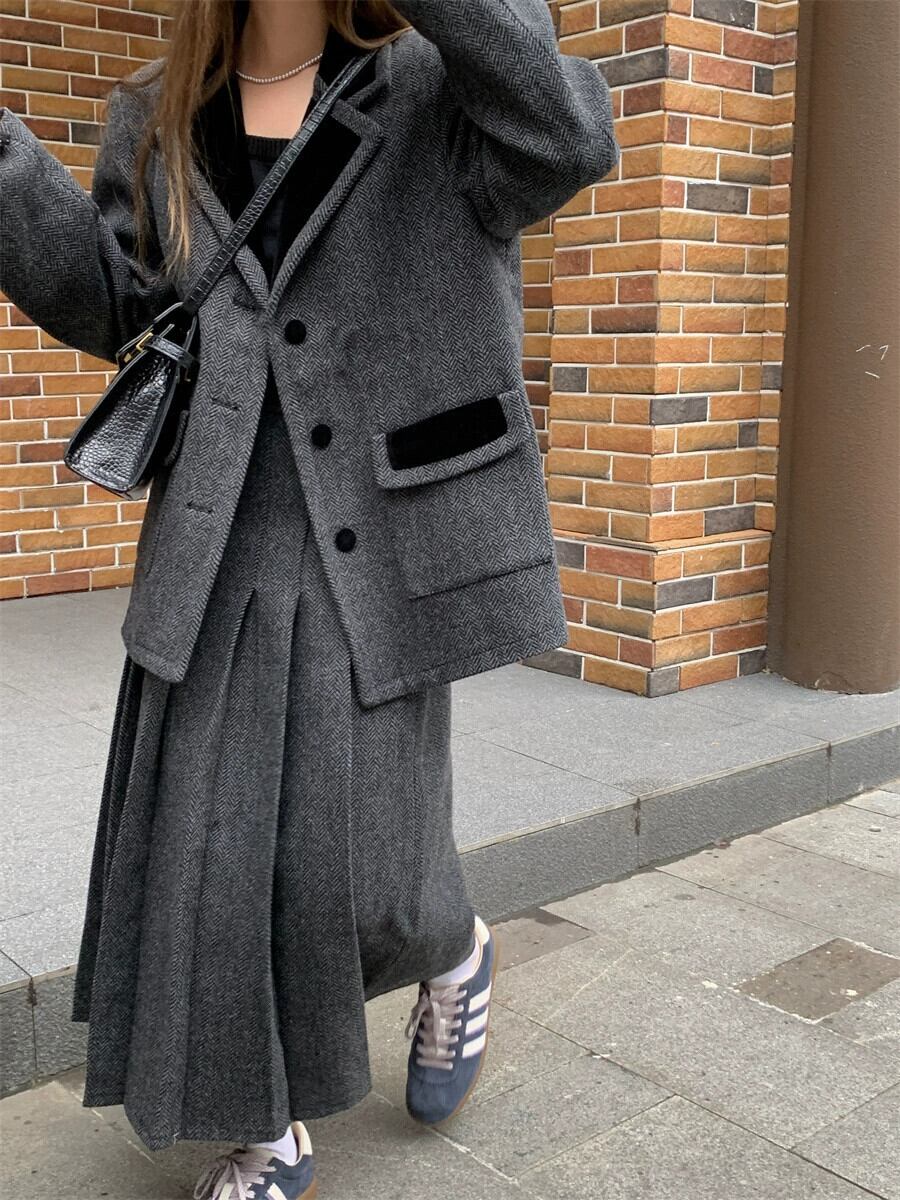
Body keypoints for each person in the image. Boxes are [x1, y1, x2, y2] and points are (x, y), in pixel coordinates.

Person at [0, 1, 618, 1195]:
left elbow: (568, 138)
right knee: (220, 847)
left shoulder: (436, 78)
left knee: (367, 871)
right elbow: (119, 305)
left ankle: (451, 945)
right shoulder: (155, 115)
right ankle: (267, 1131)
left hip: (384, 526)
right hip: (221, 520)